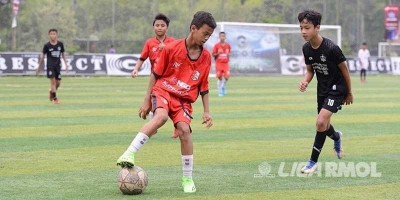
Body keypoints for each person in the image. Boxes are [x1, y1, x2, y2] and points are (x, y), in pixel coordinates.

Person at [117, 11, 216, 193]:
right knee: (160, 117)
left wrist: (207, 111)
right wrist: (147, 100)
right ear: (193, 28)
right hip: (163, 90)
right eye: (205, 33)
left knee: (185, 131)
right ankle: (129, 153)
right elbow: (155, 74)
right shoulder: (172, 48)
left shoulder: (206, 57)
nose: (207, 38)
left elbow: (204, 85)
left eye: (210, 35)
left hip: (184, 100)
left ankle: (187, 178)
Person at [297, 10, 353, 174]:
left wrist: (349, 92)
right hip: (322, 89)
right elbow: (310, 70)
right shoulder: (306, 49)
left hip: (337, 88)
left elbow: (345, 70)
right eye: (301, 28)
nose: (303, 32)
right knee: (324, 125)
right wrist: (305, 81)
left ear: (317, 27)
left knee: (320, 122)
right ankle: (336, 137)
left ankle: (312, 162)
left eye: (307, 28)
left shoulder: (331, 48)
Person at [131, 13, 175, 78]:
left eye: (162, 26)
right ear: (153, 27)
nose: (159, 28)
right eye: (157, 25)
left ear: (167, 28)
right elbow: (142, 58)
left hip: (169, 78)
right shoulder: (149, 42)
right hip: (155, 77)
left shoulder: (173, 42)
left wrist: (166, 49)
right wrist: (136, 69)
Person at [36, 28, 68, 104]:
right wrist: (39, 67)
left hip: (58, 66)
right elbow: (43, 56)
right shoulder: (47, 45)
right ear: (49, 35)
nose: (53, 35)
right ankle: (55, 98)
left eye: (54, 34)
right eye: (51, 34)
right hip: (50, 66)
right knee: (53, 82)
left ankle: (51, 91)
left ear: (56, 35)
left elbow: (63, 54)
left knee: (58, 83)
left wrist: (66, 64)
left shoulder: (60, 44)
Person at [212, 32, 231, 96]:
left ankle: (223, 87)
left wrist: (228, 59)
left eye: (223, 36)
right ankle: (220, 90)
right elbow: (213, 54)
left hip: (225, 64)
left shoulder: (228, 45)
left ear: (225, 37)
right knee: (219, 76)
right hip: (219, 63)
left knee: (227, 76)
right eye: (221, 36)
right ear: (219, 37)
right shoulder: (216, 45)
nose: (222, 37)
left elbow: (229, 54)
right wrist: (218, 53)